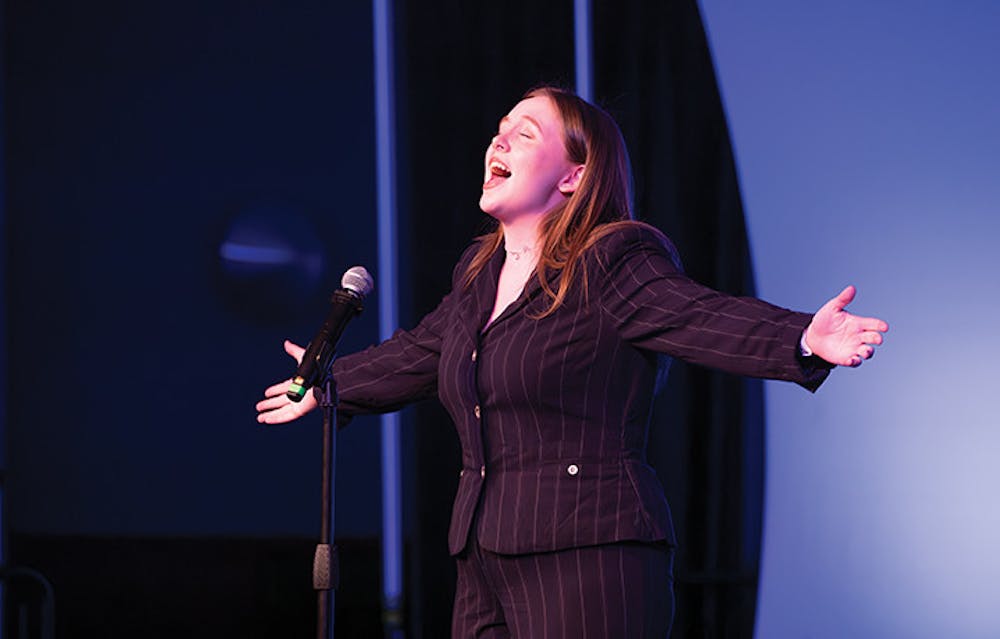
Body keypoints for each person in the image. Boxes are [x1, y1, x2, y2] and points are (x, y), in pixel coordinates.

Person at [256, 86, 887, 638]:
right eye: (499, 130)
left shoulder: (612, 261)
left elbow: (697, 314)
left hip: (589, 550)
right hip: (483, 555)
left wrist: (803, 337)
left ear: (573, 177)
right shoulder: (479, 275)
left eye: (524, 134)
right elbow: (423, 352)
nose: (499, 141)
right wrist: (328, 383)